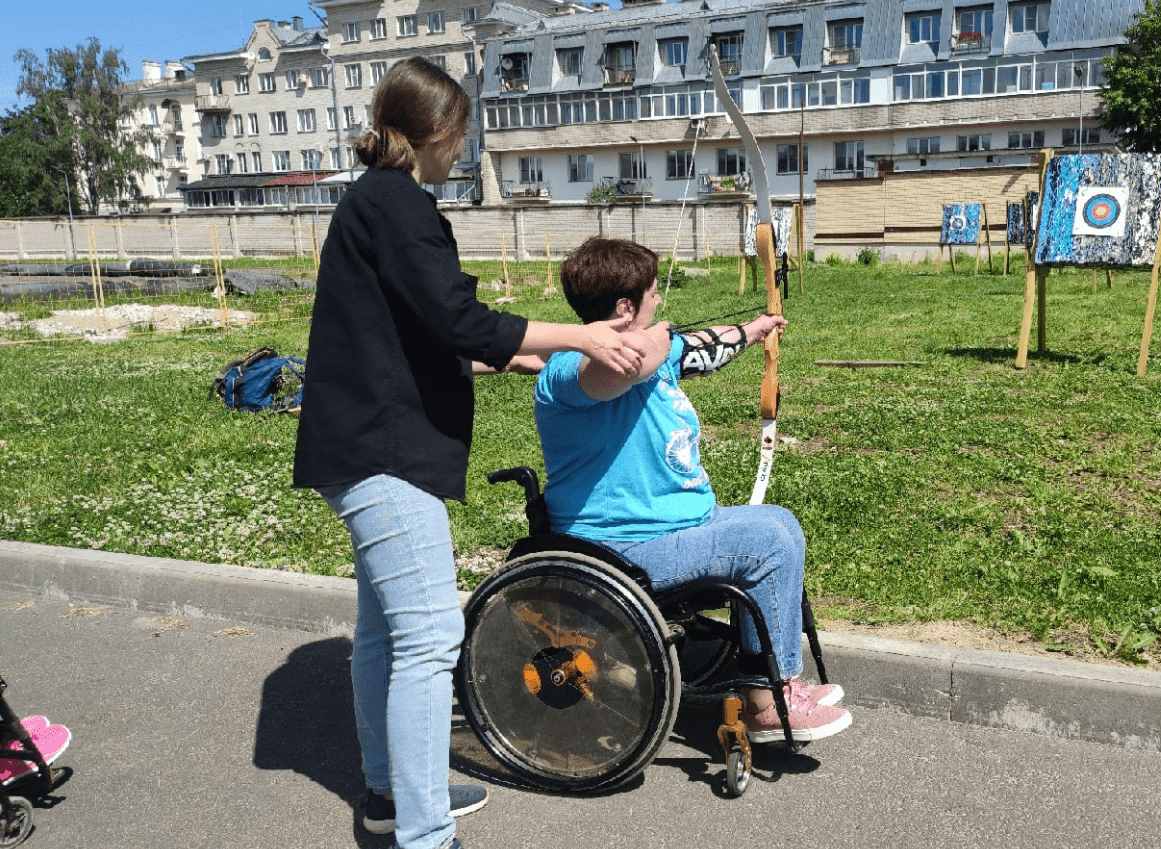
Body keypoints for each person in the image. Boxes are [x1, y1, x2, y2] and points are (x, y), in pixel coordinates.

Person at [292, 59, 648, 849]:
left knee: (386, 633)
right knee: (427, 638)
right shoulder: (398, 203)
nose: (464, 147)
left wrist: (511, 354)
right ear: (434, 133)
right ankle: (422, 830)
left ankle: (391, 791)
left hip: (361, 446)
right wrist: (580, 334)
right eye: (460, 133)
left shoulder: (374, 203)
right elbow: (457, 317)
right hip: (383, 455)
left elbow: (415, 330)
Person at [532, 236, 852, 742]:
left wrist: (753, 329)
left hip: (671, 529)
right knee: (763, 545)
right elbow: (627, 365)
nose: (660, 302)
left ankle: (781, 676)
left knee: (779, 522)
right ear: (624, 308)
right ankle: (766, 704)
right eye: (654, 294)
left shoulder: (655, 351)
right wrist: (660, 342)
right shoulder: (571, 370)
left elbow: (702, 347)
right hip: (619, 550)